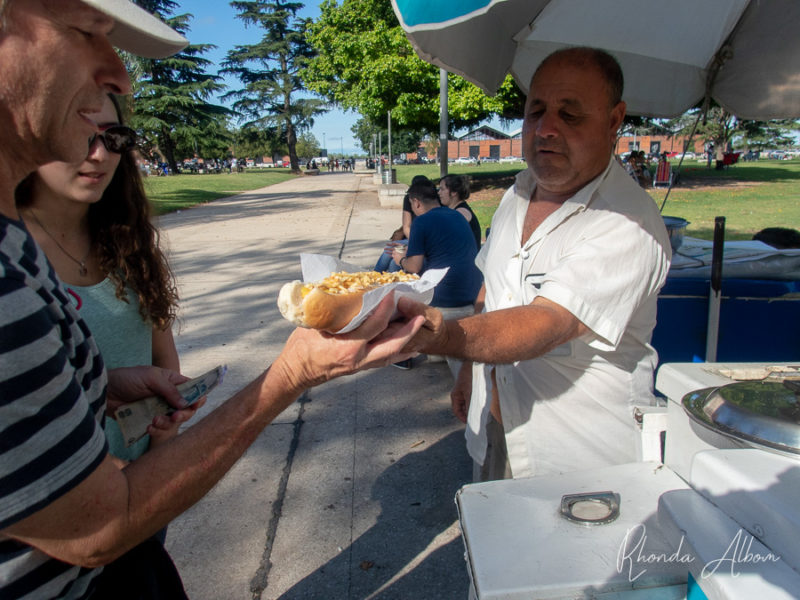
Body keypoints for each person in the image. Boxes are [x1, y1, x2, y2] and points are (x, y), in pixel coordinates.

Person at [0, 2, 423, 599]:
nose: (119, 73)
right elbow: (94, 528)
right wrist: (291, 373)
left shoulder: (26, 248)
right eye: (85, 32)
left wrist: (105, 388)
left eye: (115, 136)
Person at [398, 47, 672, 482]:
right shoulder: (517, 194)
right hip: (496, 429)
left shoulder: (629, 222)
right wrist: (469, 371)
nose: (546, 129)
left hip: (581, 461)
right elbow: (490, 290)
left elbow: (547, 322)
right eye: (536, 111)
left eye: (570, 114)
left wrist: (429, 336)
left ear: (614, 119)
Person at [16, 93, 181, 463]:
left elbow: (162, 358)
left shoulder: (127, 238)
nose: (100, 154)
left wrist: (161, 448)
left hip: (144, 483)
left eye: (115, 137)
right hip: (65, 503)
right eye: (80, 134)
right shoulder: (12, 254)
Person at [391, 182, 483, 375]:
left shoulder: (421, 222)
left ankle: (404, 357)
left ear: (416, 202)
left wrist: (400, 260)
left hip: (447, 297)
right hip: (474, 293)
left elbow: (414, 267)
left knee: (394, 295)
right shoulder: (457, 215)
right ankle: (440, 351)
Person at [373, 175, 435, 273]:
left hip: (425, 247)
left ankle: (390, 281)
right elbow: (406, 226)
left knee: (394, 262)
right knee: (390, 249)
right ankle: (374, 275)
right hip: (413, 239)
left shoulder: (424, 219)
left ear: (416, 202)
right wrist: (412, 243)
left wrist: (410, 249)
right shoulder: (411, 202)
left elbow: (416, 265)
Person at [438, 173, 482, 249]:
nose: (439, 192)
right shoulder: (456, 211)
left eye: (442, 189)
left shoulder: (461, 212)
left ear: (454, 192)